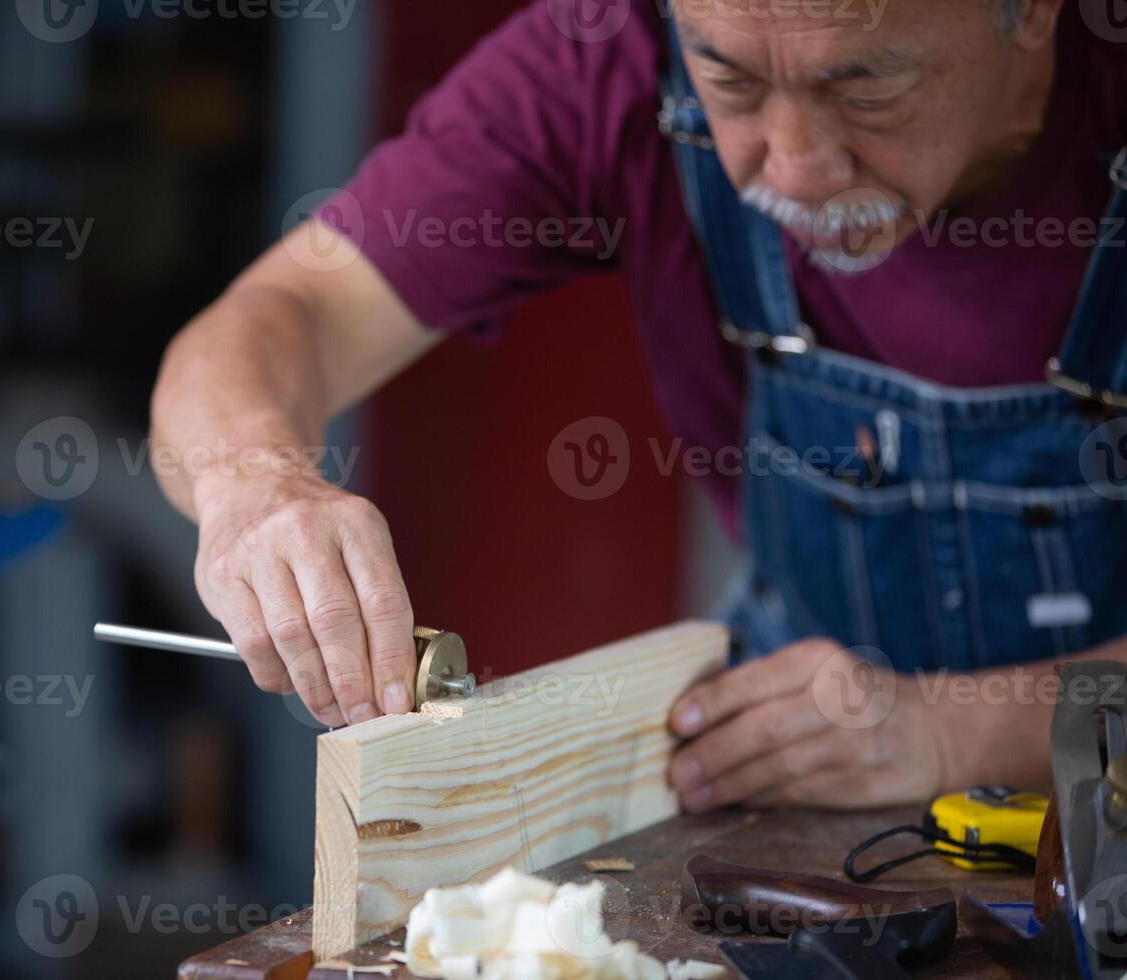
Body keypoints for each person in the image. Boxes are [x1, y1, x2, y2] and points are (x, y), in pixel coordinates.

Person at [150, 0, 1127, 811]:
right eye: (733, 82)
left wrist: (962, 729)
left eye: (865, 86)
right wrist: (257, 485)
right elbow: (286, 311)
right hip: (809, 800)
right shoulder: (606, 62)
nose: (791, 168)